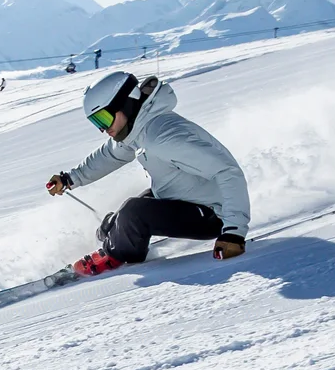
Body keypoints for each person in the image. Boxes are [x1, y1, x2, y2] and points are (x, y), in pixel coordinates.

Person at [46, 71, 251, 276]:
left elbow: (227, 171)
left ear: (125, 104)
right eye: (97, 122)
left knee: (133, 213)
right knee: (118, 218)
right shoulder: (137, 130)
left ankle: (116, 254)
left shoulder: (164, 136)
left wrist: (234, 232)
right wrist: (69, 178)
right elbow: (109, 154)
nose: (103, 129)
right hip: (181, 196)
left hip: (213, 214)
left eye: (105, 119)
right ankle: (113, 235)